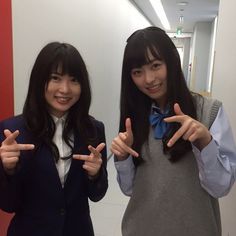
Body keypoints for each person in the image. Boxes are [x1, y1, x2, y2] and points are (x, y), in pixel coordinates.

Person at [110, 26, 236, 236]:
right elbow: (130, 190)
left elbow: (221, 187)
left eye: (156, 65)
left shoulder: (209, 111)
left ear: (172, 62)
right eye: (137, 72)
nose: (149, 79)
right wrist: (122, 158)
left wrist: (205, 142)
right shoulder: (134, 117)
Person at [0, 42, 108, 236]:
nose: (65, 89)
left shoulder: (93, 130)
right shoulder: (12, 131)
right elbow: (7, 205)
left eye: (74, 80)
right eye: (55, 78)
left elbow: (97, 195)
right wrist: (8, 170)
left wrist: (95, 174)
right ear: (39, 80)